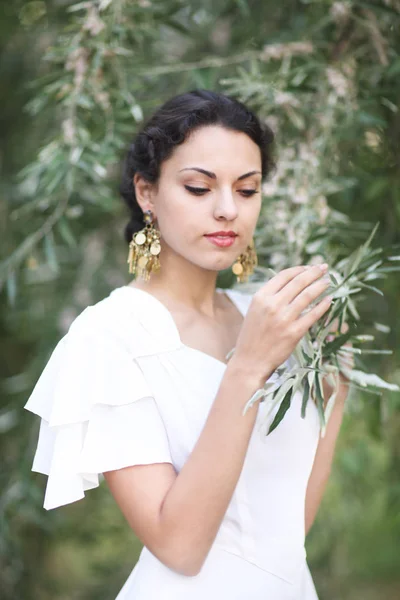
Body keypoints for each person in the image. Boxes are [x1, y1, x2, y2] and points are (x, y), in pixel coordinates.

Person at [25, 89, 335, 599]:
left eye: (248, 189)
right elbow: (180, 547)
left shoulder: (261, 317)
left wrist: (331, 383)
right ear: (147, 193)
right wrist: (249, 365)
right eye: (198, 188)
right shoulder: (109, 336)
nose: (227, 209)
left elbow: (287, 528)